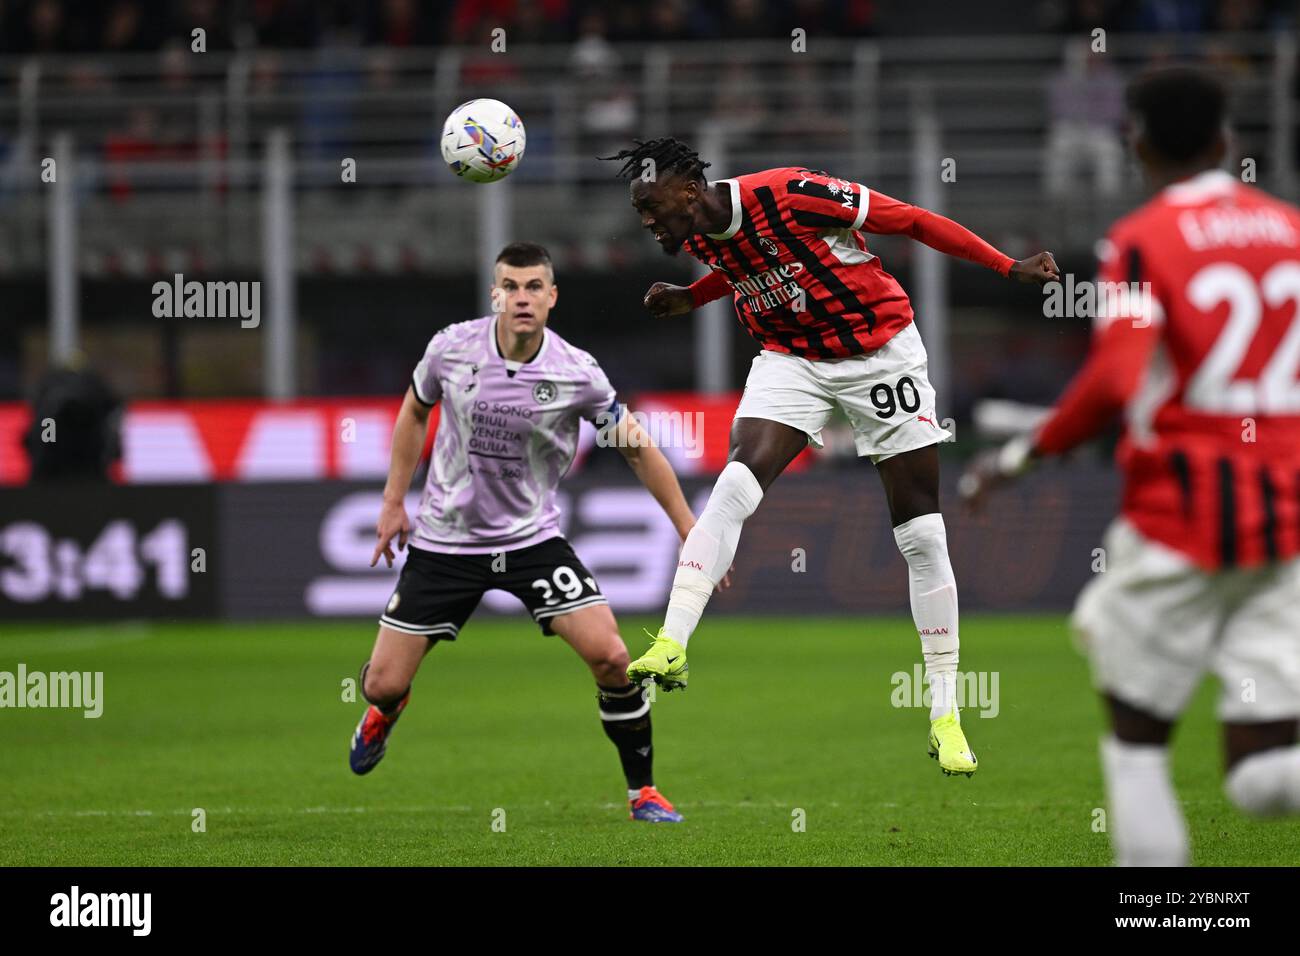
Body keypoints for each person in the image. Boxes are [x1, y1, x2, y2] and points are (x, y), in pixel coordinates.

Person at [600, 137, 1059, 777]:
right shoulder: (696, 234)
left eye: (650, 207)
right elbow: (746, 271)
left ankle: (946, 715)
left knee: (922, 534)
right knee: (735, 483)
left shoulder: (790, 191)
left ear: (687, 192)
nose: (646, 222)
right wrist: (692, 297)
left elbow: (911, 220)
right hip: (793, 360)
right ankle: (673, 643)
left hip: (880, 354)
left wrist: (1005, 265)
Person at [961, 68, 1300, 863]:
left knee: (1138, 746)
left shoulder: (1144, 239)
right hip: (1288, 517)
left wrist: (1016, 460)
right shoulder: (1290, 229)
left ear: (1136, 144)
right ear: (1228, 142)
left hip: (1180, 515)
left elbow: (1113, 382)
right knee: (1265, 780)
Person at [351, 241, 703, 823]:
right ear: (495, 294)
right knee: (380, 684)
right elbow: (416, 410)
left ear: (552, 297)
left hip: (531, 542)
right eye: (511, 287)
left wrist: (689, 527)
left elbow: (638, 449)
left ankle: (643, 792)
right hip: (445, 542)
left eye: (534, 287)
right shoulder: (450, 348)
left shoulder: (576, 373)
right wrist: (394, 502)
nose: (522, 298)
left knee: (614, 658)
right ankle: (385, 711)